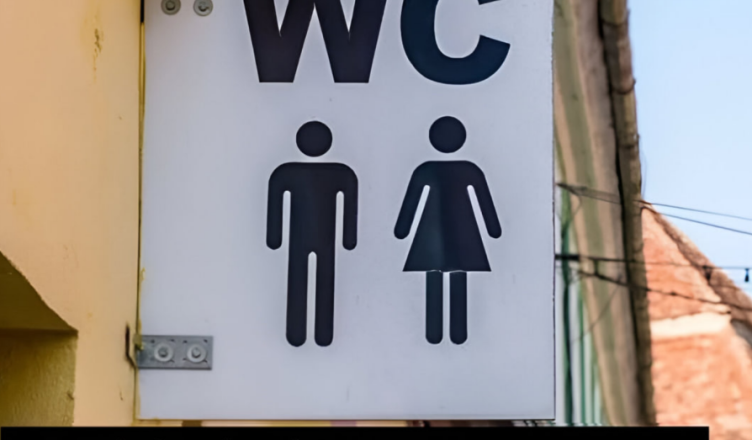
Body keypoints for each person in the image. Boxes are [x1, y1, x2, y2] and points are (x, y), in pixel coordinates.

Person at [395, 116, 501, 345]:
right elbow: (484, 204)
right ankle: (453, 332)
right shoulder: (467, 170)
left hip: (433, 232)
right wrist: (493, 230)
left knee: (436, 276)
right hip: (462, 231)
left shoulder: (427, 169)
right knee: (455, 277)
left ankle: (438, 332)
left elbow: (411, 204)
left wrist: (402, 230)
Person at [267, 121, 358, 347]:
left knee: (305, 279)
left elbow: (275, 206)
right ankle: (312, 334)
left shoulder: (286, 173)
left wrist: (275, 238)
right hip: (324, 238)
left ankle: (303, 333)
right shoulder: (341, 173)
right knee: (319, 279)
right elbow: (349, 207)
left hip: (304, 238)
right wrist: (348, 239)